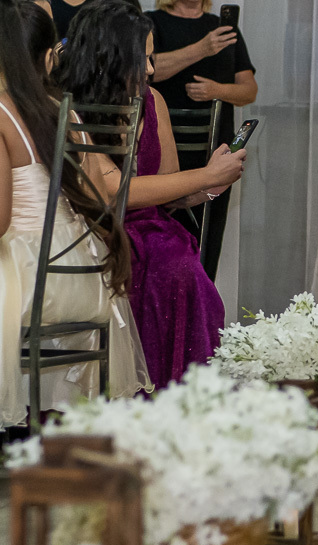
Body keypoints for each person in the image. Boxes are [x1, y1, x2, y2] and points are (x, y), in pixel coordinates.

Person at [54, 0, 246, 387]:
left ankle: (179, 391)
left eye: (151, 58)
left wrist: (209, 188)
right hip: (95, 228)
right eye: (141, 59)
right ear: (109, 57)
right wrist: (203, 175)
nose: (151, 70)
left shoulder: (153, 101)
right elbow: (111, 191)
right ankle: (146, 392)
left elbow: (167, 189)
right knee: (166, 262)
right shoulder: (69, 107)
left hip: (152, 228)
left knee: (178, 260)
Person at [0, 0, 150, 428]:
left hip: (30, 282)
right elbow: (97, 201)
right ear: (49, 55)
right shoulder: (64, 111)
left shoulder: (2, 115)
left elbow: (1, 221)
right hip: (83, 279)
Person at [148, 0, 257, 281]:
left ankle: (203, 301)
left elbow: (249, 91)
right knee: (161, 241)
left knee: (207, 242)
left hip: (215, 153)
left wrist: (217, 90)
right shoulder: (152, 23)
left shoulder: (223, 29)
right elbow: (149, 71)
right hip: (163, 153)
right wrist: (202, 49)